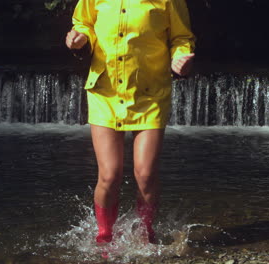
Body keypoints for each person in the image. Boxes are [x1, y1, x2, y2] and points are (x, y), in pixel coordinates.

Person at [66, 0, 195, 247]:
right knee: (109, 175)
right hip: (106, 92)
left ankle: (146, 235)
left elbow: (182, 37)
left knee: (145, 174)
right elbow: (83, 23)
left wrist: (181, 58)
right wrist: (79, 38)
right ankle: (104, 238)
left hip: (151, 94)